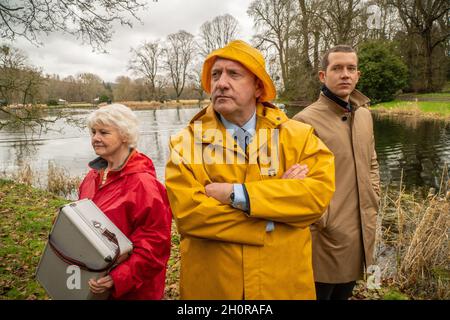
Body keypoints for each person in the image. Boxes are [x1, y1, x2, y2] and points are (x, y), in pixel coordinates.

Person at [165, 40, 335, 299]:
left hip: (283, 286)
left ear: (258, 87)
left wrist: (237, 194)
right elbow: (191, 215)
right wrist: (276, 212)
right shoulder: (185, 144)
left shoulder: (299, 137)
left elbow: (315, 199)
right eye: (215, 75)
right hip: (214, 289)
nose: (221, 83)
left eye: (234, 74)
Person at [293, 45, 381, 300]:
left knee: (346, 292)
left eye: (351, 68)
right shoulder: (303, 122)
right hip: (325, 236)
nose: (345, 74)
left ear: (358, 75)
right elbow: (299, 184)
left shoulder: (364, 115)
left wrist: (374, 193)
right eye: (337, 68)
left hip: (362, 227)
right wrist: (325, 220)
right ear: (323, 76)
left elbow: (372, 162)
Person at [78, 103, 172, 300]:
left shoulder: (144, 185)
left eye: (104, 132)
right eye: (93, 132)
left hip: (134, 292)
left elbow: (154, 247)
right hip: (93, 282)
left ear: (125, 135)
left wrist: (116, 279)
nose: (95, 138)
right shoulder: (91, 177)